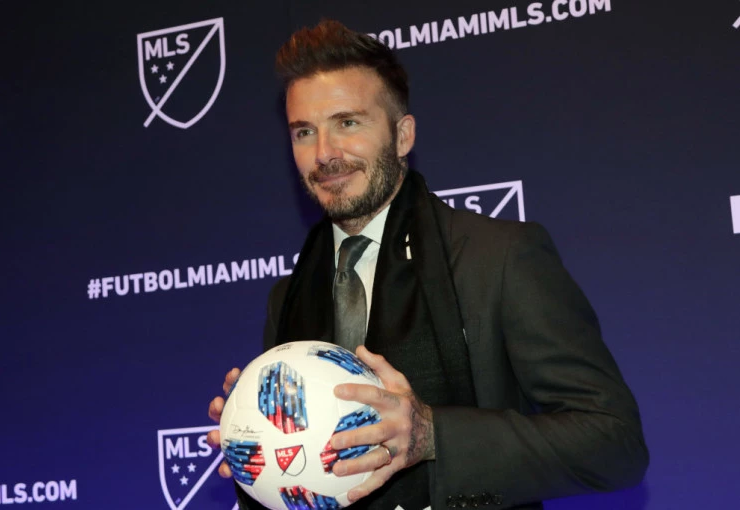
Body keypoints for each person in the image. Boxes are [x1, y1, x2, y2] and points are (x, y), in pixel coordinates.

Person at [208, 19, 648, 510]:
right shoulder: (288, 297)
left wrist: (433, 436)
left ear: (403, 136)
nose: (325, 154)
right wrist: (256, 449)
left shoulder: (497, 258)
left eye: (348, 123)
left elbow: (614, 443)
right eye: (304, 132)